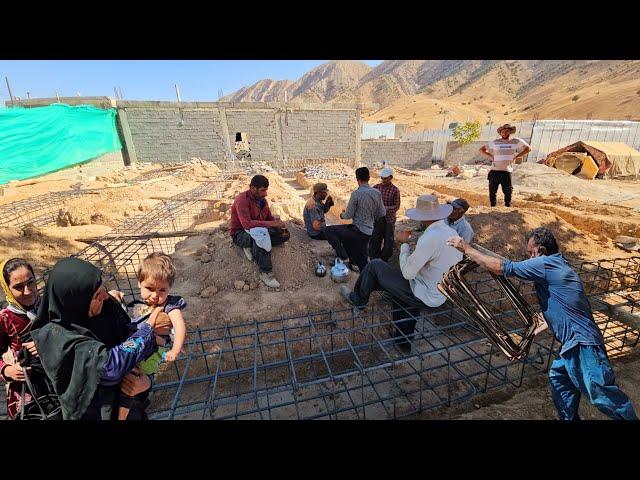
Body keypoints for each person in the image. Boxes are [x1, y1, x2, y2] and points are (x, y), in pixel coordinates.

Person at [447, 227, 638, 420]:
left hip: (582, 344)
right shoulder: (559, 266)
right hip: (571, 344)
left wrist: (466, 248)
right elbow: (564, 306)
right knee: (559, 381)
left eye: (531, 253)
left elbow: (503, 268)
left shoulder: (546, 264)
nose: (530, 258)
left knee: (601, 394)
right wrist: (537, 330)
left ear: (542, 251)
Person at [29, 257, 172, 420]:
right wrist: (148, 329)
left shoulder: (107, 308)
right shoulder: (56, 335)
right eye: (96, 294)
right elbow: (109, 367)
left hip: (129, 407)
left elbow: (133, 345)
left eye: (101, 287)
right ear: (76, 301)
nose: (104, 296)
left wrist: (147, 381)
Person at [339, 195, 462, 353]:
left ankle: (358, 299)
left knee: (375, 265)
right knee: (401, 296)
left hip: (423, 293)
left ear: (423, 218)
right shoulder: (451, 232)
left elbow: (408, 274)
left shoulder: (430, 237)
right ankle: (403, 343)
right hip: (438, 294)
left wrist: (403, 244)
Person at [117, 252, 186, 420]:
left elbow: (180, 326)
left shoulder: (170, 306)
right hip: (135, 350)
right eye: (150, 288)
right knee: (125, 383)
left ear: (170, 288)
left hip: (148, 356)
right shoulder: (139, 304)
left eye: (162, 290)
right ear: (139, 283)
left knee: (128, 385)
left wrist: (175, 350)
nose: (156, 295)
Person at [0, 258, 51, 419]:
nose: (28, 291)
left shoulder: (50, 307)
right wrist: (7, 370)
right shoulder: (6, 318)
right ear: (7, 289)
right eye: (18, 287)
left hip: (59, 384)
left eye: (31, 283)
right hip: (27, 393)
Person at [229, 174, 290, 288]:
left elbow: (269, 218)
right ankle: (265, 272)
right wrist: (271, 224)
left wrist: (278, 226)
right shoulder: (242, 200)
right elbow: (246, 224)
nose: (265, 194)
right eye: (263, 190)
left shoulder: (263, 201)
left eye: (266, 190)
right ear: (253, 188)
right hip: (240, 233)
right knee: (260, 239)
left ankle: (251, 247)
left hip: (258, 229)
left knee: (284, 235)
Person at [324, 167, 386, 272]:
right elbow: (382, 213)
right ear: (369, 178)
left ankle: (344, 258)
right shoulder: (377, 193)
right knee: (361, 257)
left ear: (357, 179)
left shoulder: (356, 194)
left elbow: (348, 215)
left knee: (329, 230)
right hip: (369, 231)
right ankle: (364, 274)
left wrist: (342, 214)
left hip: (358, 230)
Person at [479, 123, 531, 207]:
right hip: (494, 171)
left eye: (506, 131)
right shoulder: (495, 142)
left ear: (510, 132)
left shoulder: (516, 141)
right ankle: (492, 207)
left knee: (508, 191)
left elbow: (528, 149)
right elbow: (481, 149)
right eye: (502, 132)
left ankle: (507, 207)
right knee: (492, 191)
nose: (504, 133)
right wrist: (490, 156)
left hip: (506, 171)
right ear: (500, 133)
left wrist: (516, 156)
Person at [369, 166, 401, 262]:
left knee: (388, 244)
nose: (383, 180)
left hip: (389, 220)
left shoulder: (395, 190)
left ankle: (383, 260)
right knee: (375, 241)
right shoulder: (376, 188)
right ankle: (374, 260)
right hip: (377, 220)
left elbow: (397, 206)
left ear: (391, 177)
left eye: (385, 178)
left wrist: (385, 208)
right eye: (382, 178)